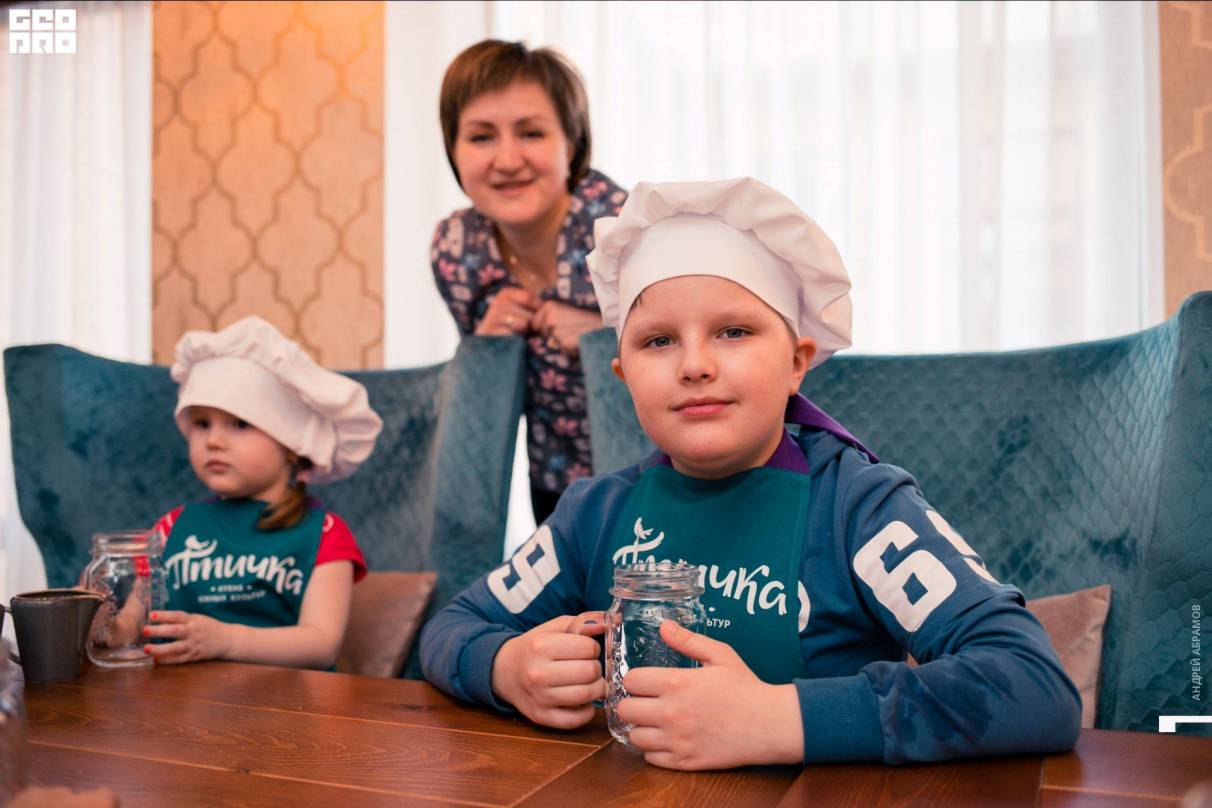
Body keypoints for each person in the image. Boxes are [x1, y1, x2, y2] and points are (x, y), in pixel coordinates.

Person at [418, 178, 1081, 769]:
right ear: (623, 375)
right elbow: (451, 628)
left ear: (796, 361)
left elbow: (1032, 684)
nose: (695, 365)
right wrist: (506, 667)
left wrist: (780, 720)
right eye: (658, 341)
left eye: (733, 332)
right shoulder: (593, 515)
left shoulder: (859, 507)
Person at [431, 39, 627, 524]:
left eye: (531, 133)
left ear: (571, 144)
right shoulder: (456, 250)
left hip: (655, 475)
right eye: (481, 137)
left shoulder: (622, 229)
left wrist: (605, 338)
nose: (507, 159)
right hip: (553, 487)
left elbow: (685, 357)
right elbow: (482, 404)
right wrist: (485, 349)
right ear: (453, 150)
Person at [142, 316, 383, 668]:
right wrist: (102, 623)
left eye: (240, 424)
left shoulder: (324, 534)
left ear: (292, 446)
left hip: (283, 699)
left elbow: (322, 644)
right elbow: (134, 616)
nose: (214, 441)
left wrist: (227, 641)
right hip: (176, 697)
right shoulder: (172, 526)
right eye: (202, 423)